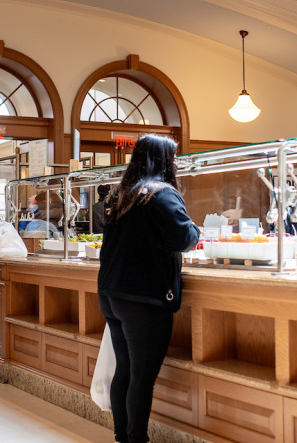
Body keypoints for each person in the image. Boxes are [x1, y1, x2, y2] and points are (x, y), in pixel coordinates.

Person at [98, 134, 200, 443]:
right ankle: (136, 439)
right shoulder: (162, 194)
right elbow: (185, 238)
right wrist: (196, 229)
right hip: (144, 297)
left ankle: (122, 436)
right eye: (174, 158)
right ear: (164, 160)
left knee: (125, 371)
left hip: (112, 293)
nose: (177, 164)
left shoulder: (121, 193)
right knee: (142, 378)